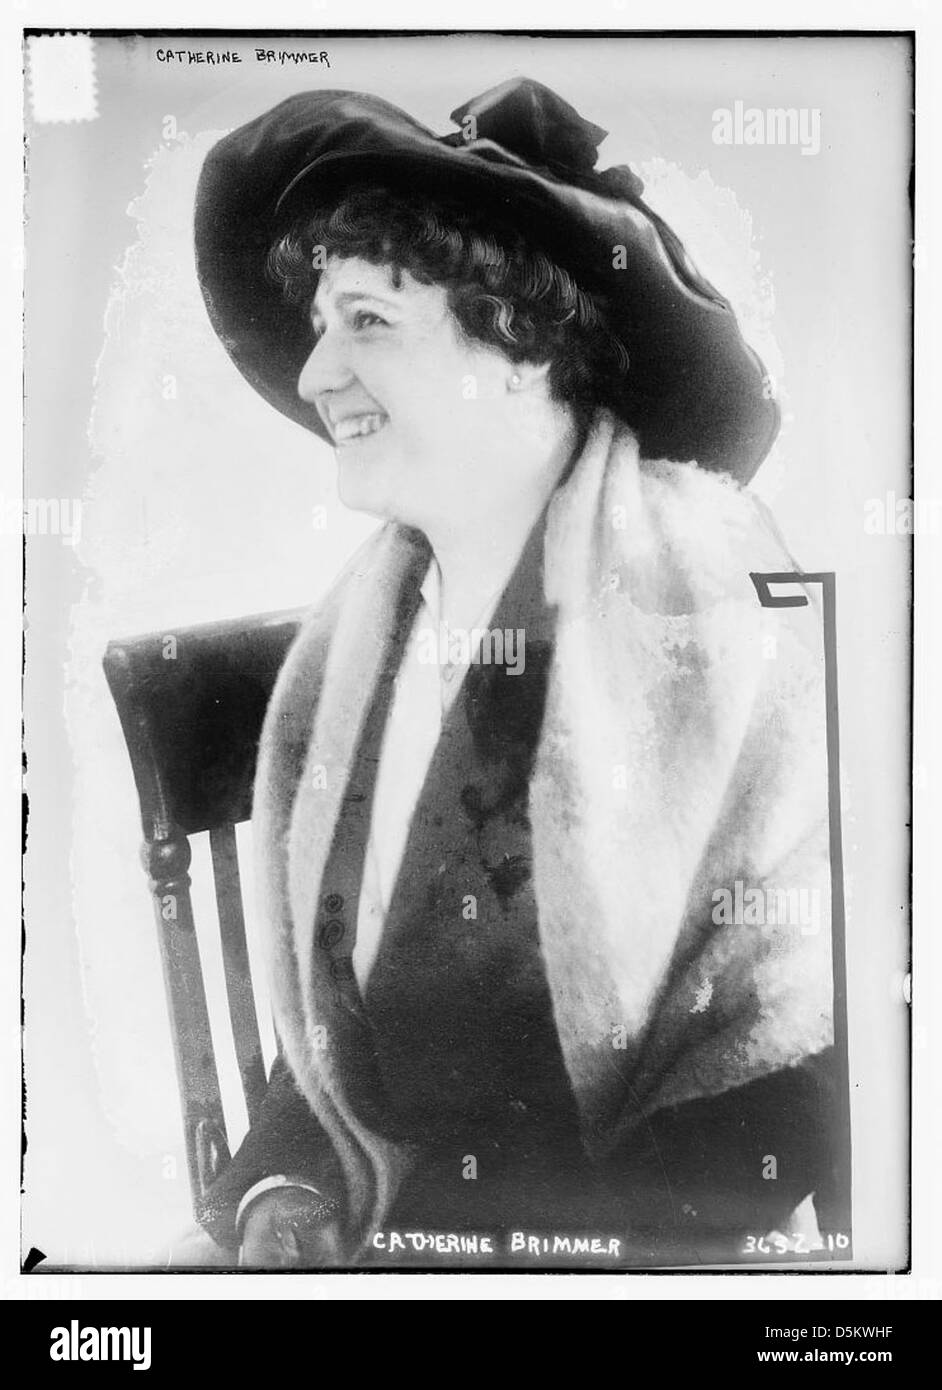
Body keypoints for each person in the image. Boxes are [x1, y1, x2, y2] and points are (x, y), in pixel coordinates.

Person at [184, 78, 840, 1269]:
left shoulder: (707, 600)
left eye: (368, 321)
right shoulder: (359, 643)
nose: (317, 372)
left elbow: (793, 1077)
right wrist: (280, 1179)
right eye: (321, 323)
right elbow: (364, 1011)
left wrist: (455, 1260)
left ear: (520, 345)